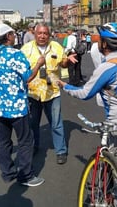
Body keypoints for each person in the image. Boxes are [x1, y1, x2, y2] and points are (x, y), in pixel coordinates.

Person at [58, 22, 117, 206]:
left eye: (100, 39)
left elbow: (84, 93)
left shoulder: (107, 68)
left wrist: (64, 85)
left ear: (105, 44)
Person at [0, 23, 45, 187]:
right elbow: (28, 76)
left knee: (3, 140)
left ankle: (8, 173)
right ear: (8, 37)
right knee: (25, 140)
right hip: (16, 106)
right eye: (12, 33)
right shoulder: (15, 54)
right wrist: (38, 64)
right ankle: (26, 176)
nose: (14, 36)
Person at [21, 22, 77, 165]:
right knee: (33, 123)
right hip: (33, 92)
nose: (42, 36)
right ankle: (34, 146)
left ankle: (61, 151)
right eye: (39, 33)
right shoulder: (26, 49)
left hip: (52, 92)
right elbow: (21, 70)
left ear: (49, 35)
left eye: (45, 33)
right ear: (34, 33)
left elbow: (63, 63)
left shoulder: (56, 47)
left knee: (56, 123)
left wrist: (68, 61)